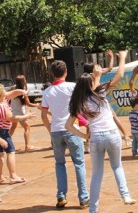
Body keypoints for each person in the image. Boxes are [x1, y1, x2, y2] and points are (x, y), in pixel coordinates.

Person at [65, 51, 136, 213]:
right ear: (91, 83)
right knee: (117, 166)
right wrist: (123, 58)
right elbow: (119, 75)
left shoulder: (80, 101)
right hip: (112, 134)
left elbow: (68, 126)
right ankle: (125, 196)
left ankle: (93, 209)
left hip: (96, 138)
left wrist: (85, 136)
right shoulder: (100, 92)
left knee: (97, 175)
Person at [41, 60, 89, 209]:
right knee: (79, 163)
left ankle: (61, 196)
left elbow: (43, 115)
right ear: (66, 71)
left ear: (52, 73)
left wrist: (51, 131)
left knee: (60, 164)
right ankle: (83, 198)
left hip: (56, 130)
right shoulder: (72, 87)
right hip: (71, 129)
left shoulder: (47, 91)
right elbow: (81, 106)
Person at [0, 85, 36, 184]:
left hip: (2, 131)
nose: (6, 92)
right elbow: (13, 118)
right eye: (4, 91)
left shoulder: (3, 98)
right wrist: (27, 116)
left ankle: (0, 177)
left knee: (1, 154)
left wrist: (23, 92)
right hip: (2, 132)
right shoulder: (2, 106)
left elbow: (13, 92)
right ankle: (13, 175)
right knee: (10, 152)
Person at [9, 75, 41, 151]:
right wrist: (37, 105)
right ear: (24, 81)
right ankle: (27, 146)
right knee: (27, 128)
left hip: (12, 111)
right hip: (20, 112)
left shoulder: (13, 88)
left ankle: (6, 143)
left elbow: (7, 96)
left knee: (13, 127)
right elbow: (28, 104)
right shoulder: (23, 91)